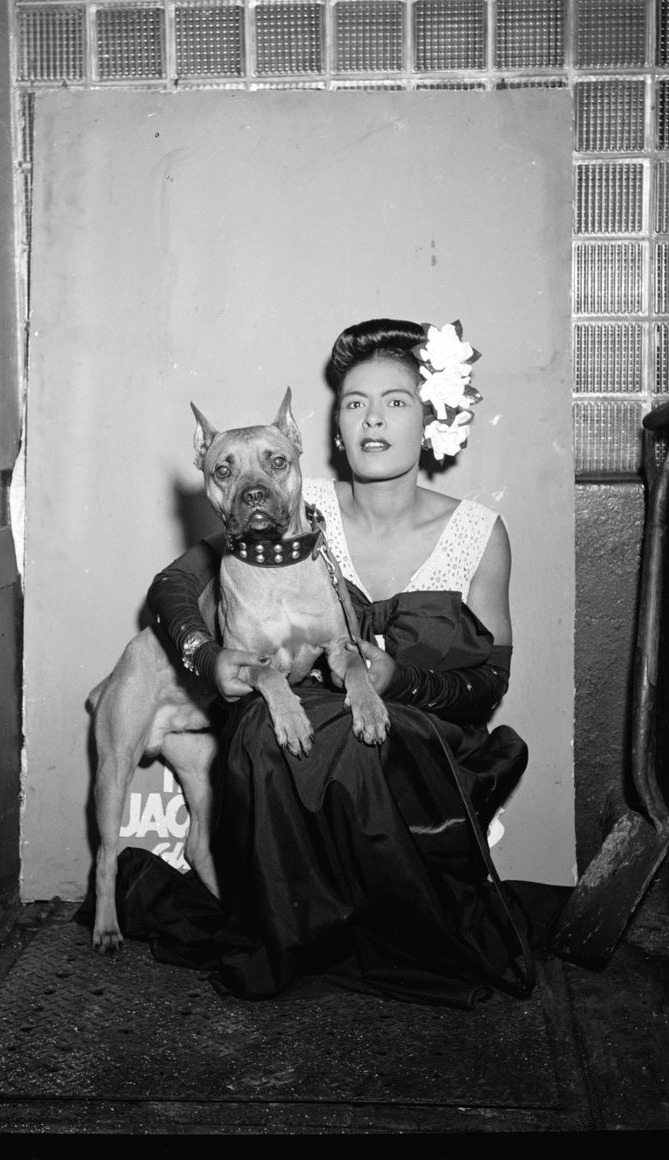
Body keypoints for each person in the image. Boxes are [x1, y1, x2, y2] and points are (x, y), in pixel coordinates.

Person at [95, 318, 534, 1008]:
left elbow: (489, 683)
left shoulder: (478, 533)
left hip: (423, 749)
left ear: (430, 419)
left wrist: (401, 679)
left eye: (396, 401)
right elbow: (173, 587)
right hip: (301, 747)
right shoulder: (299, 503)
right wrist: (208, 658)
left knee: (353, 738)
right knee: (277, 730)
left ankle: (372, 920)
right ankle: (299, 923)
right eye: (356, 403)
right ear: (332, 431)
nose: (373, 418)